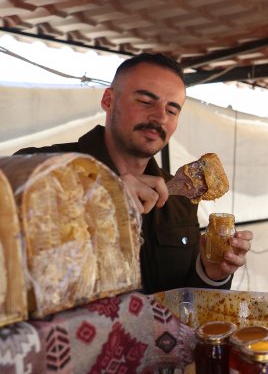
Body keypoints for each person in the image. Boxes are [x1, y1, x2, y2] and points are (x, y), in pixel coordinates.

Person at [16, 53, 253, 294]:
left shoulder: (180, 197)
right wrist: (98, 198)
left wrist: (211, 274)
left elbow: (185, 303)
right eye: (145, 101)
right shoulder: (39, 167)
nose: (160, 117)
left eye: (172, 110)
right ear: (109, 100)